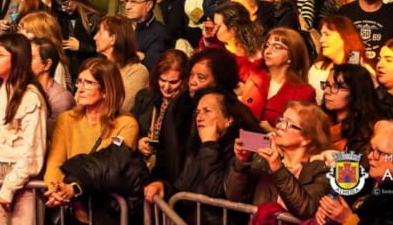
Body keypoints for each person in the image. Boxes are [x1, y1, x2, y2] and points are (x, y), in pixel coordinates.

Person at [43, 58, 139, 210]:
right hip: (71, 209)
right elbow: (55, 163)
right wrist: (56, 190)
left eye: (88, 83)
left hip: (106, 210)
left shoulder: (126, 124)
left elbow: (109, 168)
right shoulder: (67, 119)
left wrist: (74, 188)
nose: (80, 89)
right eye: (79, 81)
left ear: (106, 91)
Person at [143, 89, 245, 225]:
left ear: (228, 119)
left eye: (207, 111)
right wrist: (164, 187)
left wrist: (210, 145)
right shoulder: (199, 148)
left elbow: (217, 192)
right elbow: (182, 189)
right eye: (197, 112)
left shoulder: (240, 151)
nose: (199, 117)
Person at [316, 120, 393, 225]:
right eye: (371, 149)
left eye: (379, 153)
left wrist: (348, 220)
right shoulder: (369, 179)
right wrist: (328, 210)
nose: (370, 156)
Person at [226, 101, 332, 221]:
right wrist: (241, 162)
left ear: (306, 138)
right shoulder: (263, 161)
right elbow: (235, 197)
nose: (279, 126)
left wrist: (278, 168)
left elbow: (306, 209)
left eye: (288, 123)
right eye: (281, 120)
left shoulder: (320, 170)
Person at [0, 34, 48, 224]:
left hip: (22, 178)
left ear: (16, 57)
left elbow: (33, 151)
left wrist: (10, 186)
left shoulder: (31, 97)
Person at [256, 28, 316, 131]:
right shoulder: (254, 74)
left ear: (292, 55)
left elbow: (308, 136)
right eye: (267, 45)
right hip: (243, 143)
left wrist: (271, 131)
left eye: (277, 47)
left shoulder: (303, 93)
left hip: (276, 145)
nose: (268, 51)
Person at [322, 63, 384, 155]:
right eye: (327, 85)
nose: (326, 91)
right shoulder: (317, 122)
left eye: (336, 86)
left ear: (356, 91)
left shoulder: (367, 133)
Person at [93, 15, 149, 112]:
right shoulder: (96, 66)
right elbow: (78, 100)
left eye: (100, 33)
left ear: (113, 39)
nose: (95, 37)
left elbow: (122, 107)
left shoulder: (137, 72)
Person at [308, 15, 370, 101]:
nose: (321, 40)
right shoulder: (317, 69)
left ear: (344, 36)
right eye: (321, 34)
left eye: (327, 34)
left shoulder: (364, 70)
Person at [30, 36, 75, 137]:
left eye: (31, 58)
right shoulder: (26, 88)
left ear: (47, 64)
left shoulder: (61, 99)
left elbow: (50, 137)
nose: (25, 61)